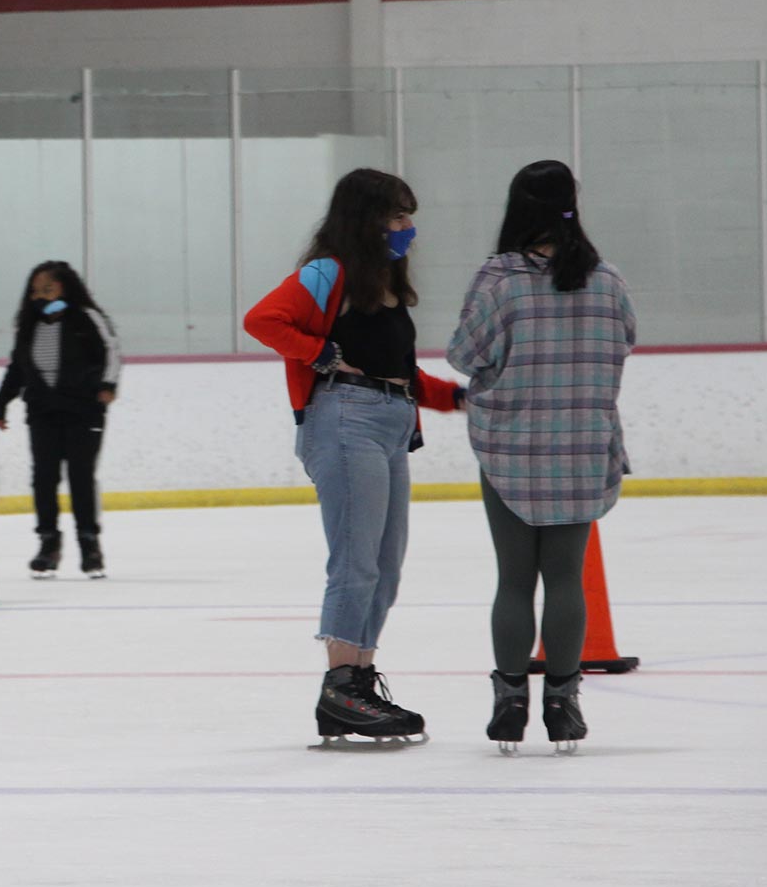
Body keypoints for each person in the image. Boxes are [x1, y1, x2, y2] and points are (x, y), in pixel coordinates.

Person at [243, 168, 463, 744]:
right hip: (345, 421)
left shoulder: (382, 280)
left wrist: (456, 398)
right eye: (396, 216)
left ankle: (359, 683)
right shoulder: (328, 272)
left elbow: (400, 371)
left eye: (408, 216)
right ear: (364, 219)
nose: (407, 228)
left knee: (386, 566)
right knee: (356, 560)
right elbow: (263, 320)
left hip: (388, 421)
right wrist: (322, 354)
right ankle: (340, 686)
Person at [448, 160, 634, 754]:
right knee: (565, 579)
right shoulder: (606, 279)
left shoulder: (500, 278)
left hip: (512, 447)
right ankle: (563, 701)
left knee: (514, 579)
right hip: (582, 447)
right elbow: (625, 340)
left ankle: (509, 701)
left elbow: (463, 354)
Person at [0, 261, 121, 580]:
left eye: (48, 289)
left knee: (81, 475)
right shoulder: (29, 324)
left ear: (65, 287)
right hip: (43, 411)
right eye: (36, 291)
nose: (41, 296)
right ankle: (48, 543)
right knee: (44, 478)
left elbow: (112, 352)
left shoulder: (87, 318)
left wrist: (107, 386)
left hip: (83, 410)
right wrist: (1, 403)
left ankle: (89, 544)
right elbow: (18, 367)